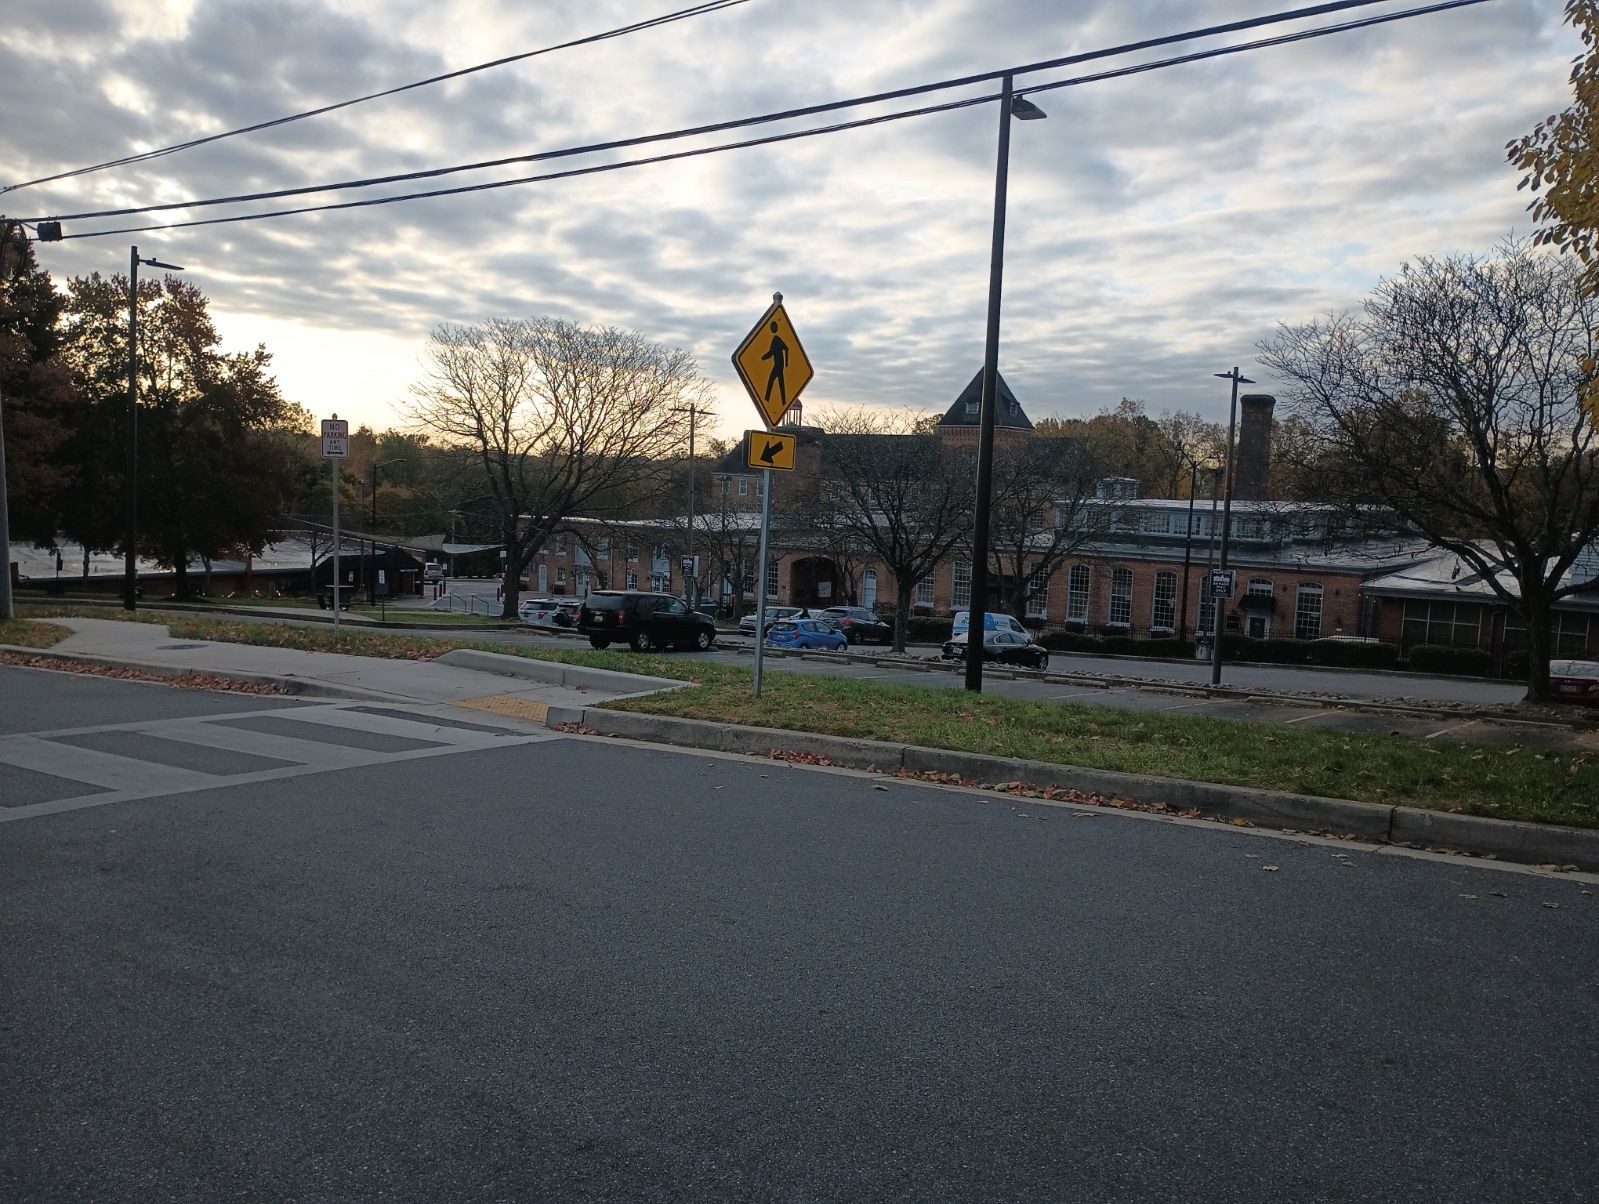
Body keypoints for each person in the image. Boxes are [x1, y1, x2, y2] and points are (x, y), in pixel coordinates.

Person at [761, 320, 788, 410]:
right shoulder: (774, 339)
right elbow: (771, 353)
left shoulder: (777, 339)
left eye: (773, 327)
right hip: (777, 365)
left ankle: (768, 399)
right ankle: (782, 401)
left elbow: (786, 348)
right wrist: (763, 357)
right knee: (780, 383)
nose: (772, 328)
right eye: (771, 327)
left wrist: (786, 363)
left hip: (779, 366)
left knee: (773, 381)